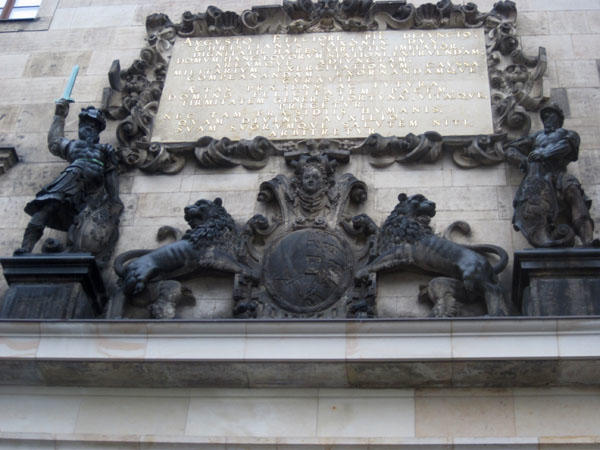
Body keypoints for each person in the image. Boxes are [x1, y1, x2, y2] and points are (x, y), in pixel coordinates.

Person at [14, 99, 122, 255]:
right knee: (47, 208)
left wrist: (114, 198)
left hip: (94, 190)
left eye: (94, 126)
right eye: (86, 125)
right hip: (71, 179)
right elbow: (54, 142)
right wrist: (59, 116)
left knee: (84, 218)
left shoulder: (105, 149)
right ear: (80, 127)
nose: (89, 128)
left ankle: (76, 249)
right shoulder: (73, 145)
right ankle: (26, 247)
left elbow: (111, 174)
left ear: (98, 130)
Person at [506, 103, 595, 246]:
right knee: (536, 203)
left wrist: (544, 153)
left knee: (573, 191)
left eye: (550, 115)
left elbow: (567, 146)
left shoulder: (569, 134)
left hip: (558, 173)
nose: (546, 119)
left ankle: (588, 239)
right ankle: (542, 237)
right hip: (538, 175)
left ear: (559, 118)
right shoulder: (537, 136)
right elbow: (511, 149)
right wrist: (524, 161)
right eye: (544, 116)